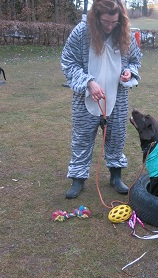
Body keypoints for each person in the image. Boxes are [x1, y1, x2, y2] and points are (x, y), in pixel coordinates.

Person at [61, 0, 142, 199]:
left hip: (117, 98)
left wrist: (128, 73)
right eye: (106, 21)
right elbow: (68, 61)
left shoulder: (123, 34)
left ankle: (116, 177)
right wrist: (88, 82)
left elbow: (135, 60)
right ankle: (78, 180)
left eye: (114, 22)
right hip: (86, 98)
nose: (109, 26)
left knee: (116, 138)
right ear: (96, 17)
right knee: (82, 138)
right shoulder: (82, 32)